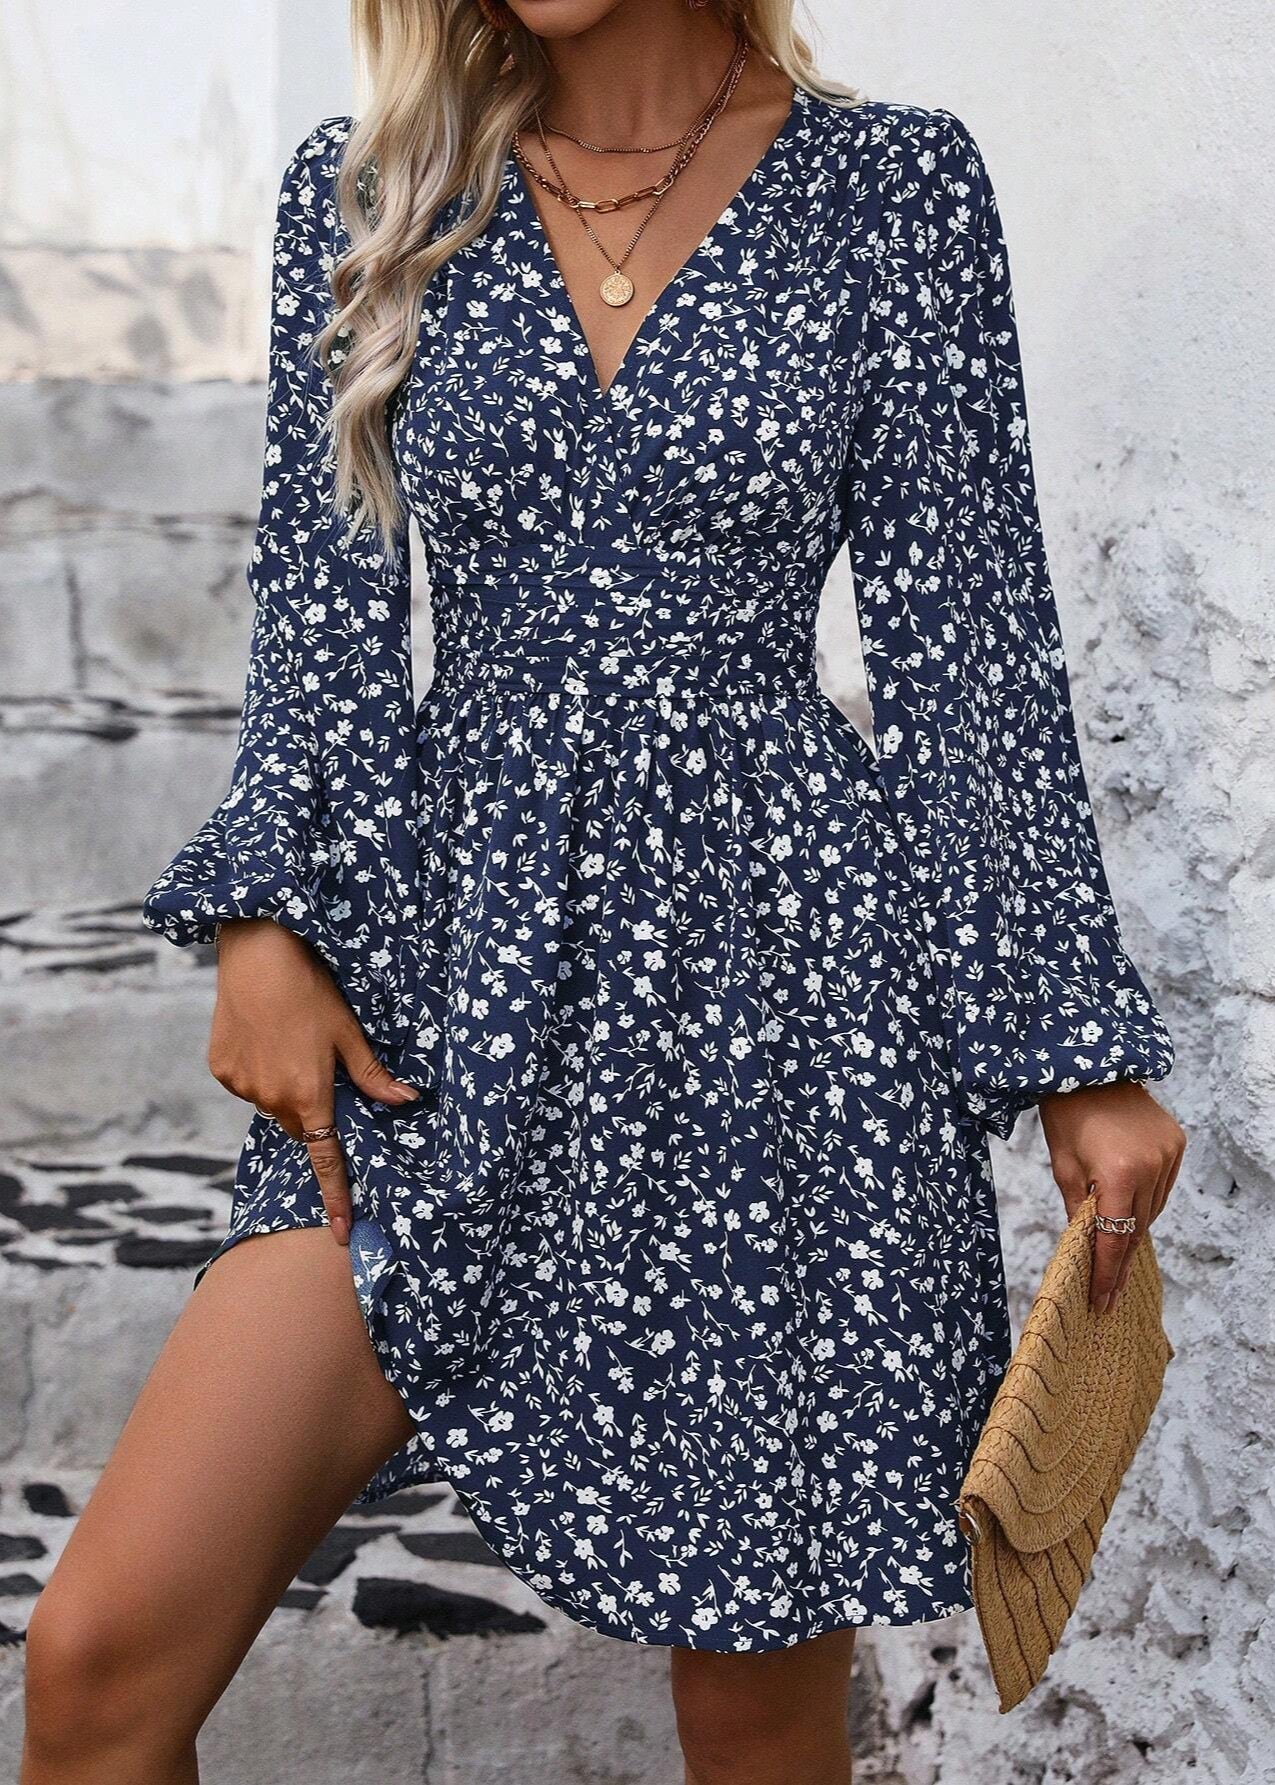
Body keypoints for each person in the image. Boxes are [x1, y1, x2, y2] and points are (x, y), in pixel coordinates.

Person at [21, 2, 1186, 1780]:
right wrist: (266, 918)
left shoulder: (894, 190)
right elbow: (320, 639)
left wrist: (1075, 1051)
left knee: (752, 1715)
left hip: (769, 1012)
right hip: (444, 997)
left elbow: (970, 662)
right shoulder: (375, 198)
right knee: (101, 1662)